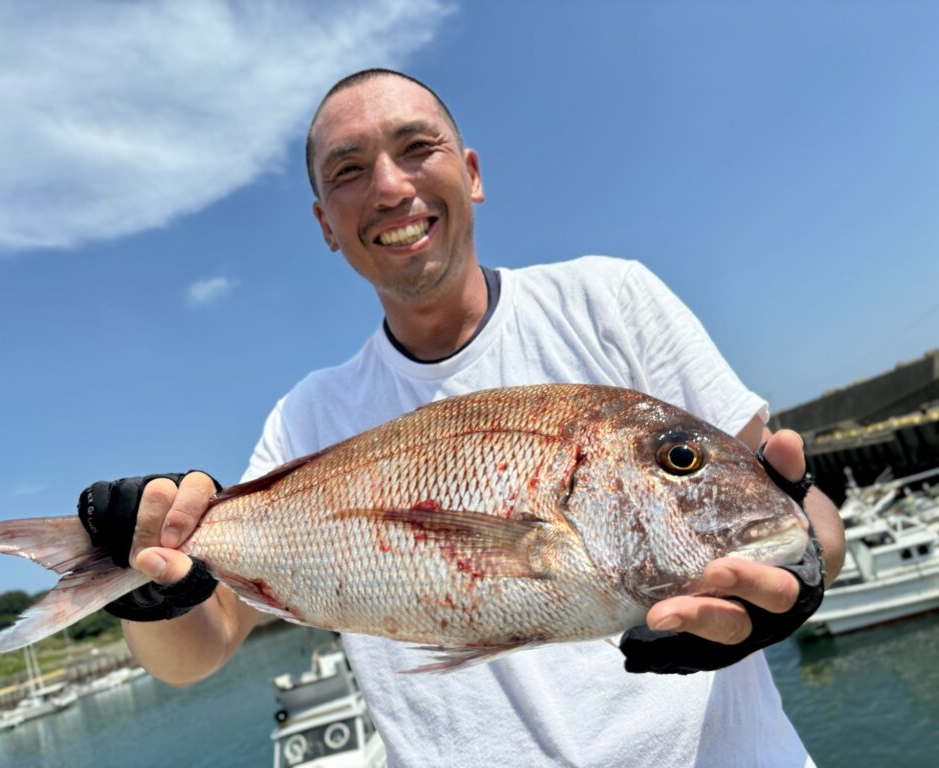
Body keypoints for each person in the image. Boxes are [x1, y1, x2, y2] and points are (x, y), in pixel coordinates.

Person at [91, 69, 844, 766]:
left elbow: (791, 510)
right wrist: (143, 582)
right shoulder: (307, 417)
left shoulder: (613, 301)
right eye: (350, 171)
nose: (389, 187)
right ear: (325, 222)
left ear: (472, 173)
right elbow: (205, 642)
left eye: (418, 148)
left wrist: (805, 565)